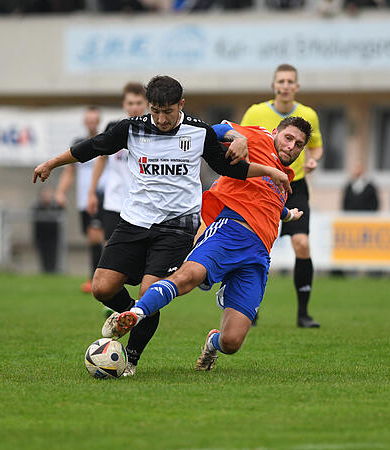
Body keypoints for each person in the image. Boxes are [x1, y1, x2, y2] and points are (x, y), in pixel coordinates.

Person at [33, 75, 290, 376]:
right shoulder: (132, 128)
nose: (161, 118)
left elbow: (229, 168)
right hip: (133, 222)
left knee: (149, 292)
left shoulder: (198, 131)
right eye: (155, 110)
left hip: (176, 227)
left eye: (167, 111)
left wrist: (273, 172)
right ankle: (131, 314)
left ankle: (130, 357)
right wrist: (52, 162)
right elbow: (92, 147)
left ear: (180, 105)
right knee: (102, 288)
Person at [101, 117, 312, 371]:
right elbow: (214, 130)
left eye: (299, 144)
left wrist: (288, 214)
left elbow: (268, 203)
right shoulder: (258, 138)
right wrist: (238, 138)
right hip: (229, 230)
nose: (292, 146)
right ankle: (133, 315)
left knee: (232, 341)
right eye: (288, 138)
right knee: (188, 276)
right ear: (276, 132)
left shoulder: (283, 176)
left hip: (257, 256)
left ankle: (211, 344)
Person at [240, 63, 323, 328]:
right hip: (263, 187)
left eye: (290, 82)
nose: (285, 86)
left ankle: (304, 314)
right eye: (281, 81)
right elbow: (239, 140)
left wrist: (313, 162)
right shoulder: (256, 112)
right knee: (255, 248)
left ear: (296, 87)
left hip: (295, 186)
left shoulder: (308, 114)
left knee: (302, 244)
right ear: (274, 85)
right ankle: (249, 308)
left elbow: (316, 147)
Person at [87, 82, 149, 242]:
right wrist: (92, 191)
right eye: (130, 103)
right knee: (110, 250)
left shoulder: (153, 131)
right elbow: (101, 160)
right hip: (115, 202)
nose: (134, 107)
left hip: (143, 203)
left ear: (147, 104)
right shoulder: (114, 128)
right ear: (124, 104)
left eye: (138, 103)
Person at [54, 106, 106, 293]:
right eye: (88, 120)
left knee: (98, 236)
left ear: (98, 121)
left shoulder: (106, 142)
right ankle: (97, 277)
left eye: (94, 120)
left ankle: (96, 278)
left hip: (102, 198)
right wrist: (60, 192)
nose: (91, 123)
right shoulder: (79, 144)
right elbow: (69, 171)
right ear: (85, 122)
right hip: (84, 200)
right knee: (92, 239)